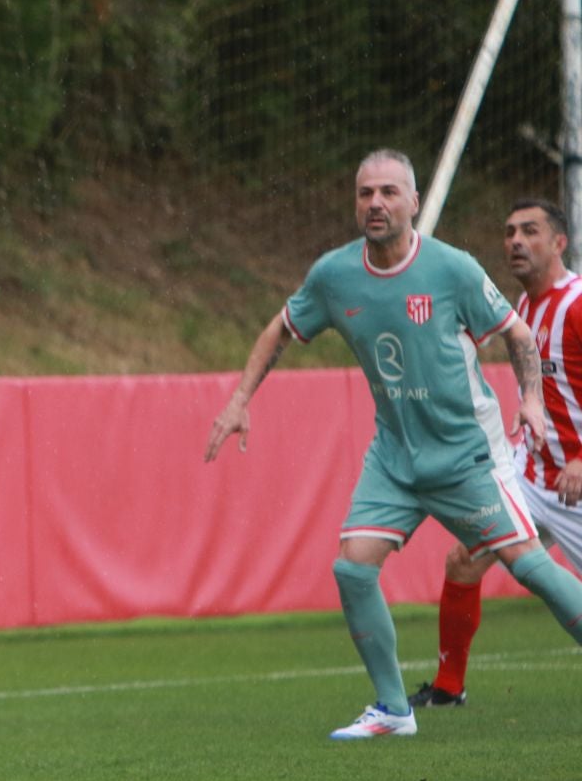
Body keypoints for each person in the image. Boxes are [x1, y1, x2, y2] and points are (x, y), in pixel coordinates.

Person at [206, 151, 582, 739]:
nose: (375, 203)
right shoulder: (334, 276)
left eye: (388, 192)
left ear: (413, 202)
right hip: (395, 456)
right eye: (365, 193)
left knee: (529, 567)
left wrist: (531, 399)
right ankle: (392, 709)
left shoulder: (451, 268)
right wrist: (239, 399)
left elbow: (515, 333)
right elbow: (282, 326)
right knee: (353, 567)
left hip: (467, 453)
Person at [410, 199, 582, 707]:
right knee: (465, 558)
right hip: (531, 475)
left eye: (530, 231)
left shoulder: (576, 305)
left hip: (575, 482)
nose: (516, 242)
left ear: (560, 242)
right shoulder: (522, 306)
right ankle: (448, 687)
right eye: (509, 232)